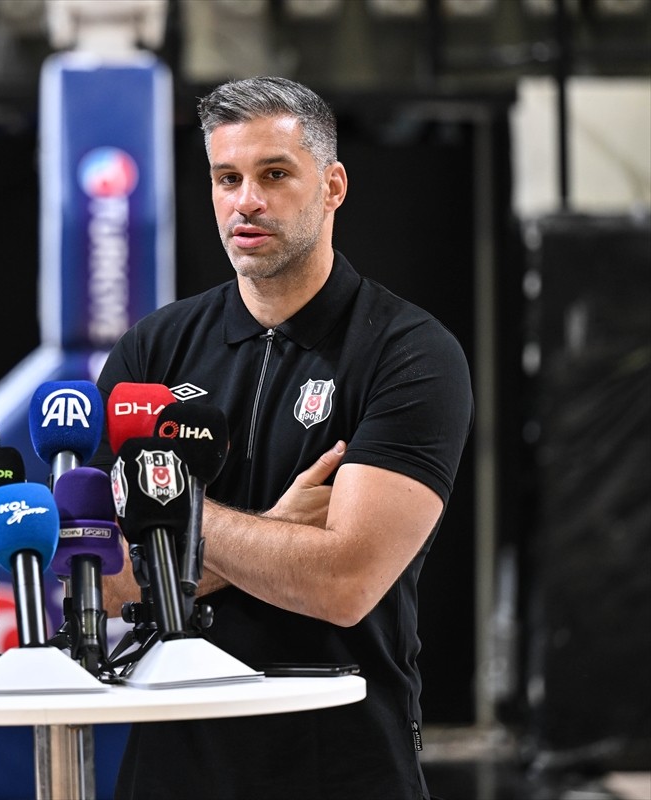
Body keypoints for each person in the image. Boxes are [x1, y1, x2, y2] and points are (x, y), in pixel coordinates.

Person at [96, 76, 474, 799]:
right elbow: (110, 582)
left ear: (332, 185)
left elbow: (342, 582)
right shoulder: (156, 349)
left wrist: (170, 519)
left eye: (274, 174)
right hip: (175, 763)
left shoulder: (409, 353)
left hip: (342, 760)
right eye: (226, 178)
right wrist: (270, 531)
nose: (247, 201)